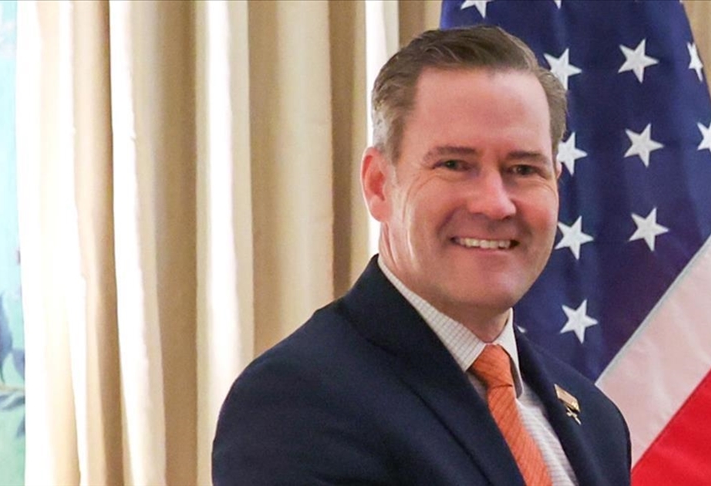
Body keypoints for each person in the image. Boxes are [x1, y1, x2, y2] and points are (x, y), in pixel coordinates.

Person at [213, 26, 631, 486]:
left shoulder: (597, 422)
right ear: (378, 185)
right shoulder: (296, 401)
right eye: (454, 165)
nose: (495, 204)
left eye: (523, 169)